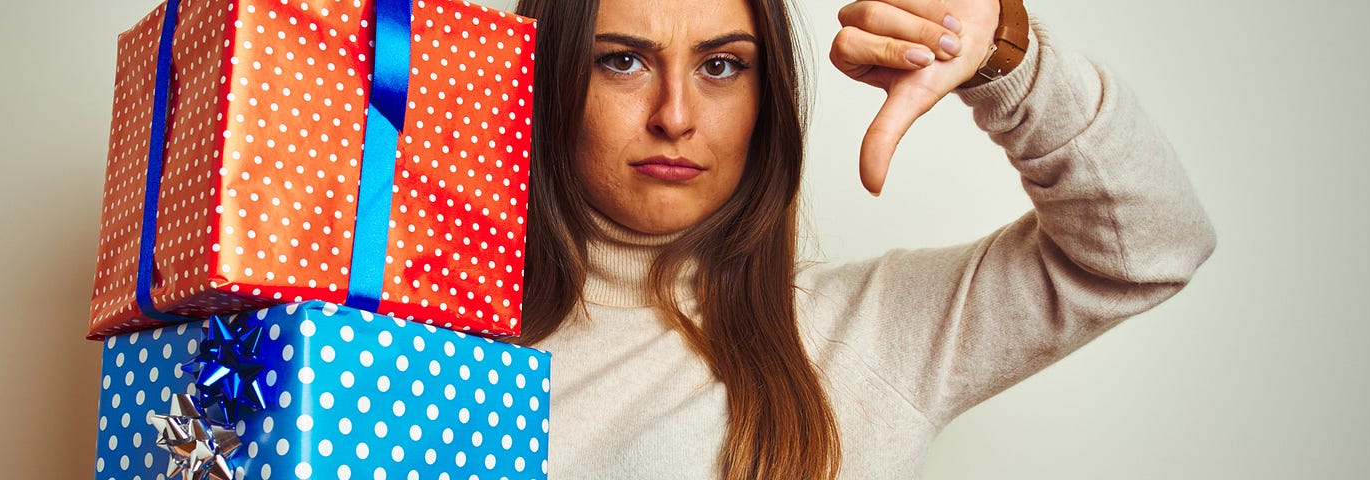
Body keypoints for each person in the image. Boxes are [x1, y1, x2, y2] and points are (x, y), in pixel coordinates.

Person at [508, 0, 1217, 478]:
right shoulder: (430, 325)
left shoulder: (862, 332)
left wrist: (1012, 60)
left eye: (721, 65)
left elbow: (1150, 248)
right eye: (623, 61)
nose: (676, 115)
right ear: (543, 76)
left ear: (767, 97)